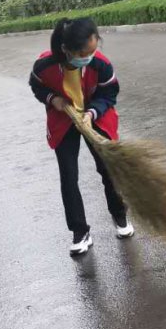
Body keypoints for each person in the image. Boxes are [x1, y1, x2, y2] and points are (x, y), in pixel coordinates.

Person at [29, 17, 134, 256]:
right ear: (67, 50)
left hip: (94, 117)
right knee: (68, 176)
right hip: (63, 120)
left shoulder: (101, 65)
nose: (90, 56)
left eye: (94, 50)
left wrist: (92, 112)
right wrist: (53, 99)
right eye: (85, 53)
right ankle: (80, 231)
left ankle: (119, 216)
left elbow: (109, 92)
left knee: (108, 169)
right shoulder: (44, 66)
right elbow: (36, 86)